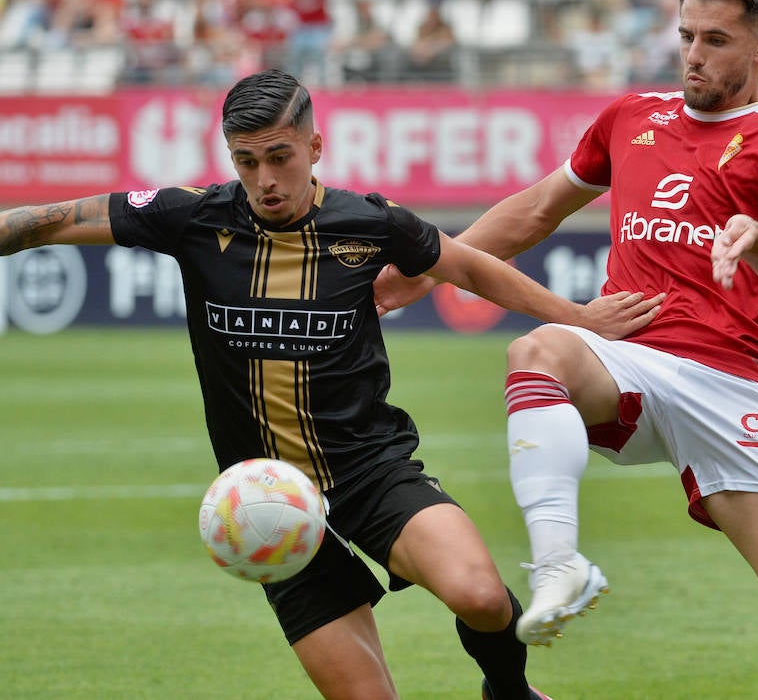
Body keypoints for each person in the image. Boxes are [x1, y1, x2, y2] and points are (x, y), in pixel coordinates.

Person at [0, 69, 665, 700]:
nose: (264, 179)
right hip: (268, 501)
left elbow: (470, 267)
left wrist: (578, 317)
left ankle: (509, 688)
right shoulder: (193, 218)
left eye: (280, 157)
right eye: (245, 160)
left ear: (315, 146)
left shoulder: (370, 223)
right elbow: (53, 219)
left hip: (371, 472)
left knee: (484, 598)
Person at [376, 0, 758, 698]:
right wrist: (423, 271)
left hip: (728, 381)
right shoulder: (632, 117)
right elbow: (533, 211)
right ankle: (559, 561)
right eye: (686, 34)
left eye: (717, 40)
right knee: (537, 349)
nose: (694, 54)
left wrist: (756, 239)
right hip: (625, 357)